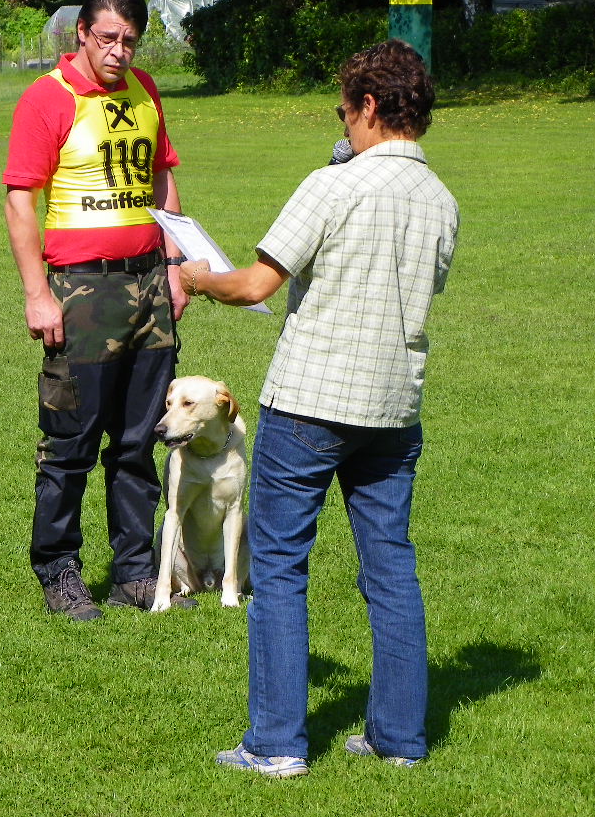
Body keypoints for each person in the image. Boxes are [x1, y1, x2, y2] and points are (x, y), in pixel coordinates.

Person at [180, 40, 459, 776]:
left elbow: (255, 285)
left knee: (278, 567)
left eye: (343, 111)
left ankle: (275, 744)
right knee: (390, 567)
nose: (342, 123)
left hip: (310, 402)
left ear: (368, 105)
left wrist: (200, 279)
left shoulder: (331, 185)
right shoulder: (442, 200)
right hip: (394, 408)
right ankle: (400, 739)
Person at [2, 0, 194, 621]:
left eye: (129, 42)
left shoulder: (145, 91)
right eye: (107, 38)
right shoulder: (46, 99)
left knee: (141, 439)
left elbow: (162, 178)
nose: (118, 52)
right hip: (80, 291)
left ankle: (135, 572)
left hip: (149, 287)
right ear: (81, 33)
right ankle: (59, 571)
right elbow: (20, 202)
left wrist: (175, 267)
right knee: (71, 442)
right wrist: (38, 293)